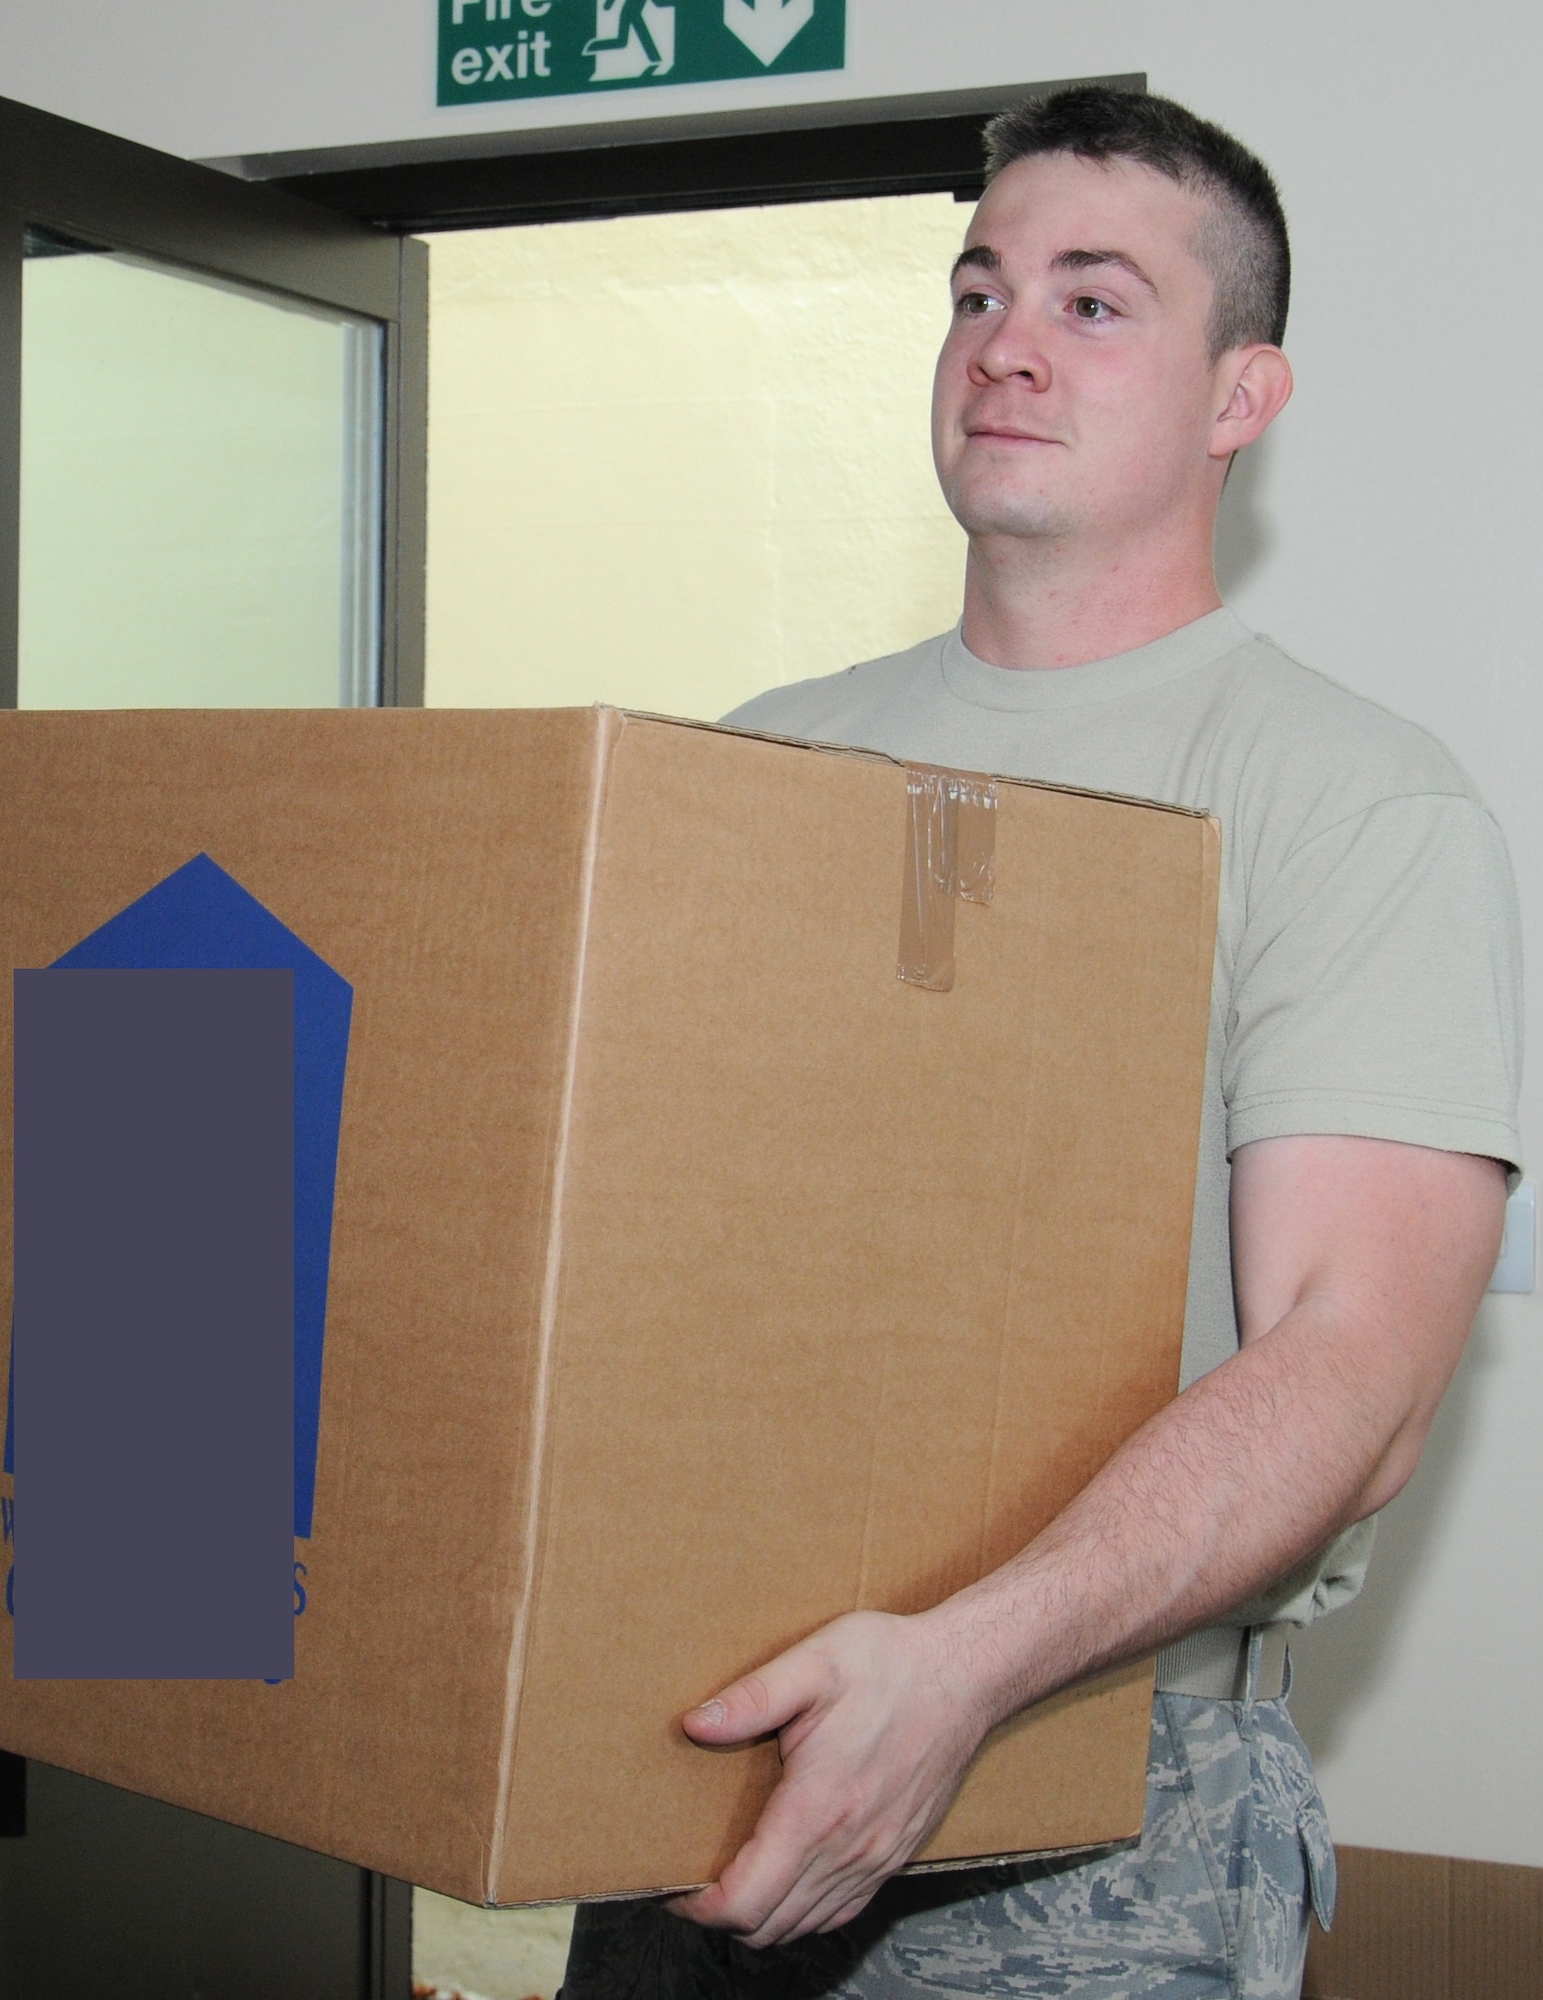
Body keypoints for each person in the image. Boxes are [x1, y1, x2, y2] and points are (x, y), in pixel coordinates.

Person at [562, 85, 1522, 1999]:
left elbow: (1357, 1375)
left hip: (1096, 1784)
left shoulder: (1349, 802)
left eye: (1093, 302)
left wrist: (967, 1665)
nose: (1003, 343)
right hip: (704, 1744)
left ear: (1240, 398)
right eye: (975, 288)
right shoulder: (757, 762)